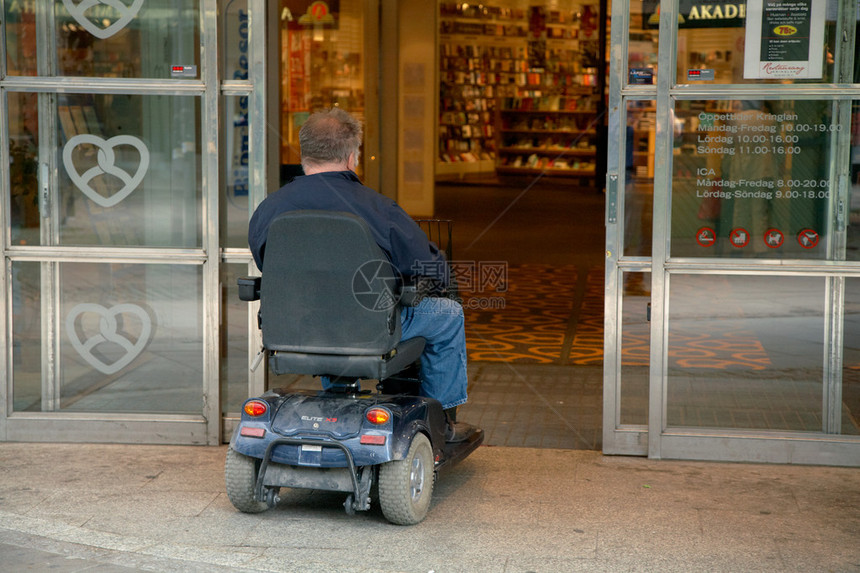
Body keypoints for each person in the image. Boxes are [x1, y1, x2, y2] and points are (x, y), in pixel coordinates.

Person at [248, 108, 476, 442]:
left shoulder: (269, 209)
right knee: (448, 313)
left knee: (327, 308)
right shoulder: (379, 208)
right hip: (369, 326)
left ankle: (338, 399)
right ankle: (442, 420)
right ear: (353, 156)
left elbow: (269, 263)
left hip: (298, 325)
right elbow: (427, 267)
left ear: (303, 155)